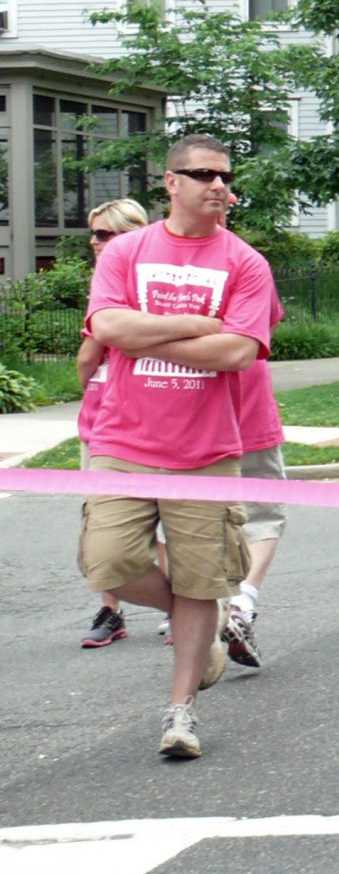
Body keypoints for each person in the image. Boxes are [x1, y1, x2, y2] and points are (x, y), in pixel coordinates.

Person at [79, 135, 279, 761]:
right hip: (122, 440)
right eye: (201, 174)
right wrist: (200, 323)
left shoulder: (246, 263)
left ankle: (181, 712)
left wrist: (143, 337)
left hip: (207, 448)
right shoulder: (127, 252)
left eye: (224, 176)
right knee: (106, 561)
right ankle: (209, 620)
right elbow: (107, 326)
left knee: (197, 580)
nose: (217, 186)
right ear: (170, 183)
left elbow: (238, 352)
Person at [217, 180, 286, 675]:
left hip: (195, 412)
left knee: (196, 517)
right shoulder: (247, 263)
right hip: (245, 405)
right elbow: (265, 328)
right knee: (262, 515)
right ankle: (239, 604)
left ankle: (217, 606)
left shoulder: (158, 265)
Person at [74, 198, 150, 650]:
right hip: (100, 417)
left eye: (104, 234)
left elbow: (93, 348)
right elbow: (89, 353)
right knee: (103, 522)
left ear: (128, 235)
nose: (95, 242)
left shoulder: (144, 281)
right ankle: (111, 610)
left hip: (143, 412)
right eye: (95, 234)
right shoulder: (102, 280)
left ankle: (186, 606)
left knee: (154, 521)